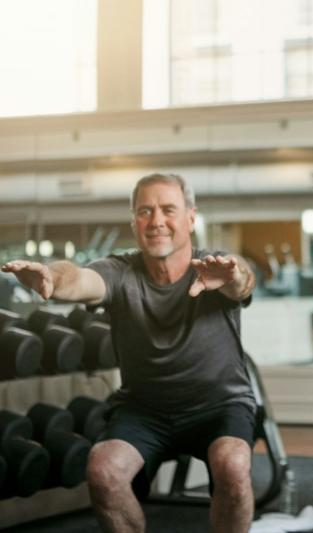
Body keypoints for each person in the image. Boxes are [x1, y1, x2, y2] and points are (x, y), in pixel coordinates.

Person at [2, 173, 257, 533]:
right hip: (145, 410)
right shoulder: (121, 272)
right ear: (134, 220)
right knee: (103, 469)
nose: (156, 221)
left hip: (219, 405)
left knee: (232, 464)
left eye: (168, 209)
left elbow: (242, 279)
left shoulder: (213, 268)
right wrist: (51, 277)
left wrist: (233, 276)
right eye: (145, 211)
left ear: (190, 217)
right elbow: (77, 278)